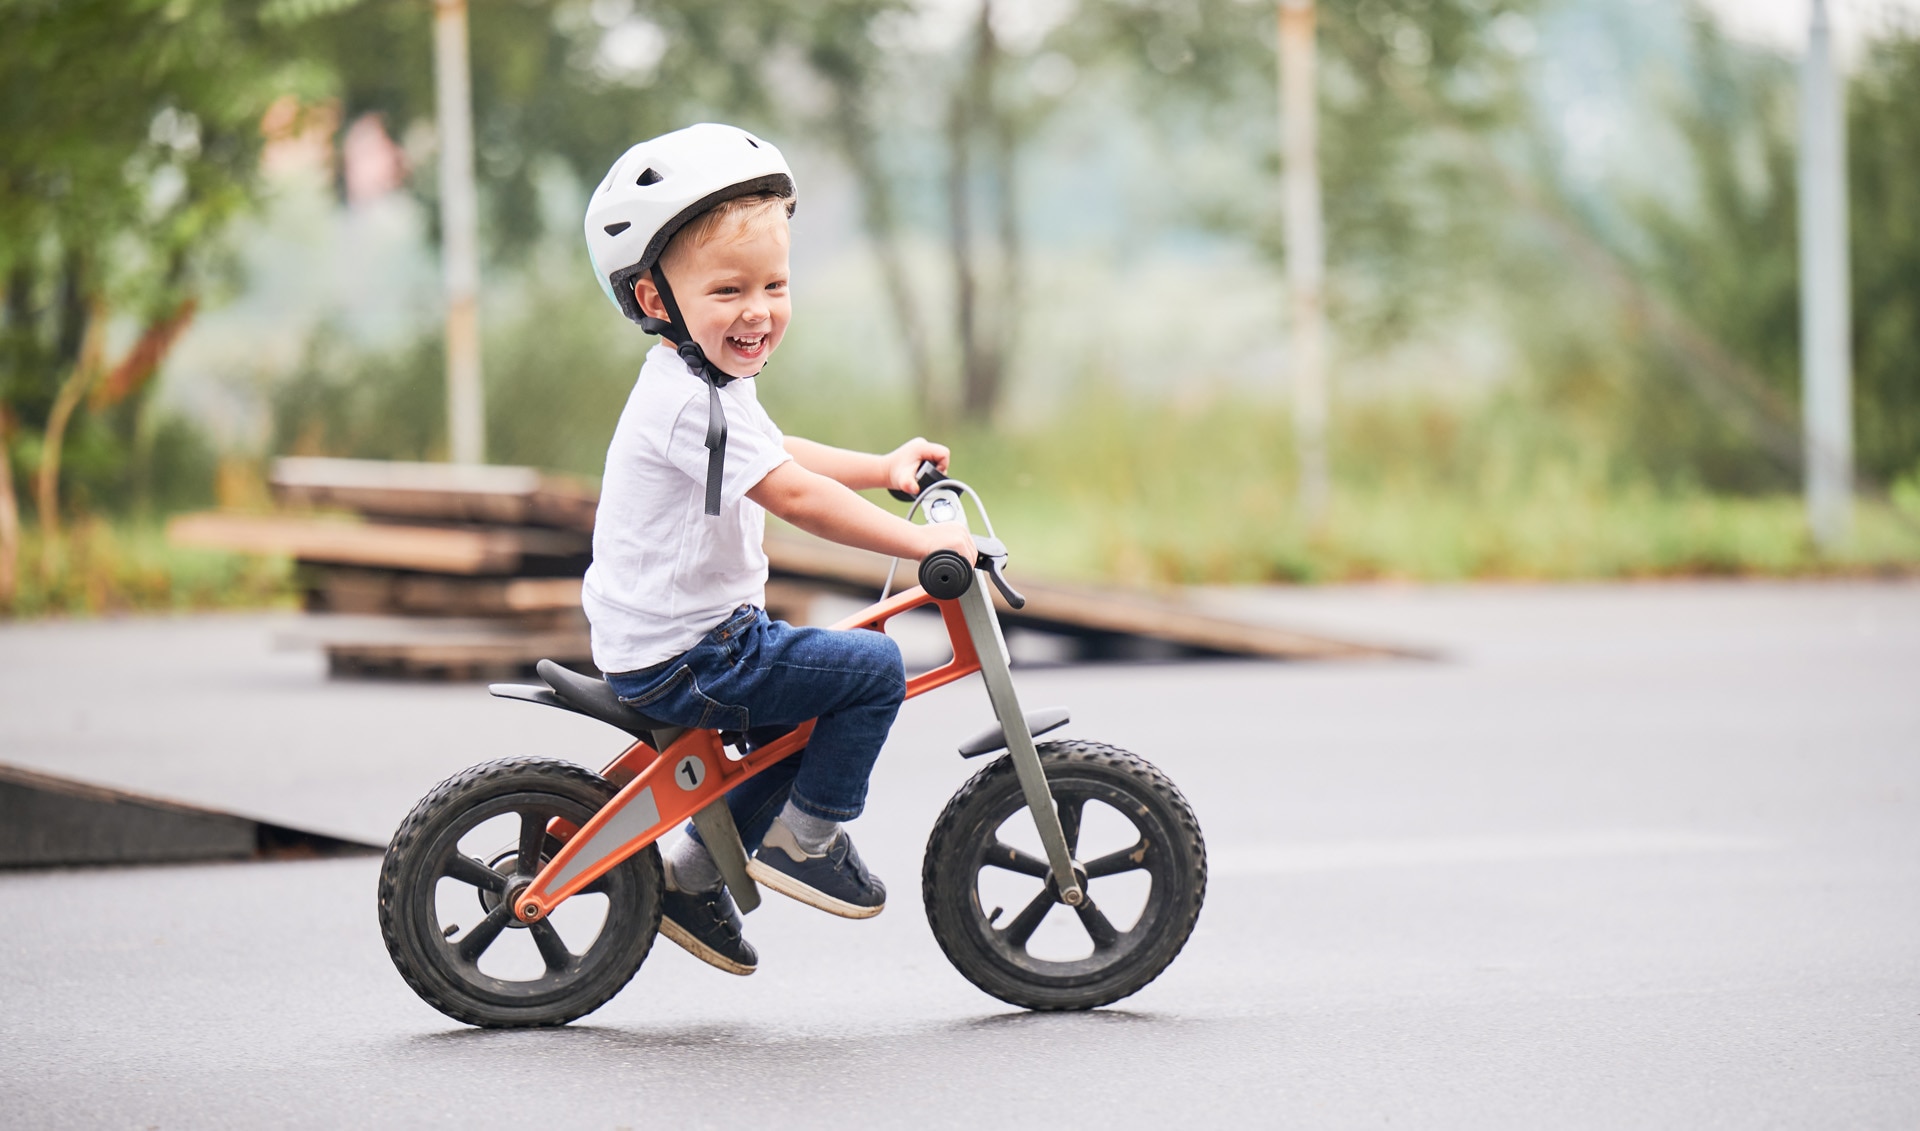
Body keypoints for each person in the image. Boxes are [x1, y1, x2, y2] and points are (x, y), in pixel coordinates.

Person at [580, 123, 975, 977]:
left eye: (775, 284)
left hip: (681, 637)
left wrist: (882, 468)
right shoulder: (695, 403)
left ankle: (691, 878)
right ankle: (806, 836)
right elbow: (791, 495)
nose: (757, 310)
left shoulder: (705, 385)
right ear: (657, 301)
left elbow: (779, 451)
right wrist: (922, 543)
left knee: (806, 705)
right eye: (727, 289)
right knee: (870, 670)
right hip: (689, 653)